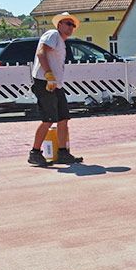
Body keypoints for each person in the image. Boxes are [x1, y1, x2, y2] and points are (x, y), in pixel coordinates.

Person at [27, 12, 84, 167]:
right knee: (48, 119)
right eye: (67, 23)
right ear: (59, 25)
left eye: (72, 25)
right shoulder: (52, 34)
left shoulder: (61, 42)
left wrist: (53, 78)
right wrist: (48, 74)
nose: (70, 27)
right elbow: (41, 53)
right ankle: (35, 152)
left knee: (63, 118)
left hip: (55, 84)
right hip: (44, 82)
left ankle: (63, 152)